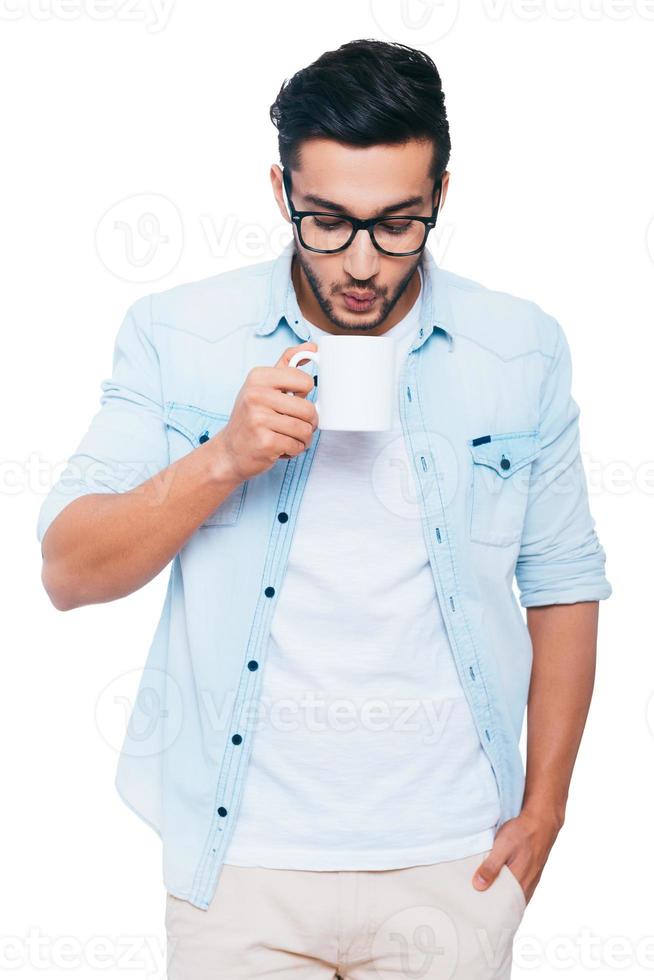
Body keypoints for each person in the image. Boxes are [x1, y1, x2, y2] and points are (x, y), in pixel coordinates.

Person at [37, 39, 612, 980]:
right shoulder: (178, 333)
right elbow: (68, 571)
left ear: (441, 198)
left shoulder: (519, 347)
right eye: (327, 221)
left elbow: (563, 582)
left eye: (397, 225)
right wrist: (223, 459)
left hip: (453, 860)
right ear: (279, 191)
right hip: (240, 865)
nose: (360, 262)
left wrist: (546, 808)